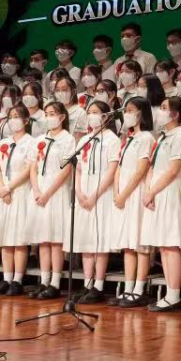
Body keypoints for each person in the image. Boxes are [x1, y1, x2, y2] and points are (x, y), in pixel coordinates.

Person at [140, 96, 181, 312]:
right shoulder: (162, 136)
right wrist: (148, 191)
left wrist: (152, 190)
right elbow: (152, 167)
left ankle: (174, 295)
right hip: (156, 190)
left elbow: (173, 170)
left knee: (171, 243)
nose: (159, 111)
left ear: (175, 114)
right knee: (162, 244)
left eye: (164, 108)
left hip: (170, 190)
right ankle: (170, 293)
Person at [72, 101, 120, 304]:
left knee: (99, 239)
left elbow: (111, 171)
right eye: (89, 112)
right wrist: (78, 191)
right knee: (86, 239)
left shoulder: (112, 140)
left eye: (95, 112)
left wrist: (95, 195)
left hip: (101, 194)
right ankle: (87, 283)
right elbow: (78, 169)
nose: (91, 116)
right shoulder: (85, 140)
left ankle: (98, 285)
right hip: (84, 193)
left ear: (105, 116)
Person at [110, 98, 156, 307]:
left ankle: (139, 289)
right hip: (123, 194)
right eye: (125, 110)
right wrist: (116, 192)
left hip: (135, 193)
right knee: (128, 244)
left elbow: (140, 170)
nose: (126, 114)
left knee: (139, 243)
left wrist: (125, 193)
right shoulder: (128, 138)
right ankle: (128, 288)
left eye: (130, 110)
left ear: (141, 113)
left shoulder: (146, 138)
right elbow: (119, 167)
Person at [27, 102, 76, 299]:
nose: (49, 117)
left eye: (52, 113)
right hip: (39, 190)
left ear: (62, 117)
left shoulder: (68, 139)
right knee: (43, 239)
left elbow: (66, 170)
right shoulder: (40, 139)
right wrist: (36, 190)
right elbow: (33, 167)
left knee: (55, 239)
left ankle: (55, 283)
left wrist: (47, 193)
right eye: (46, 114)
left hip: (56, 191)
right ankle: (44, 280)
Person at [0, 103, 34, 296]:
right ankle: (6, 278)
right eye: (11, 117)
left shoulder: (31, 142)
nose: (13, 120)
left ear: (26, 120)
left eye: (17, 117)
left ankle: (17, 280)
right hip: (2, 192)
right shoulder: (3, 143)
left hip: (20, 191)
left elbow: (28, 169)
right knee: (5, 236)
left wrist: (10, 187)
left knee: (18, 238)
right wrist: (1, 187)